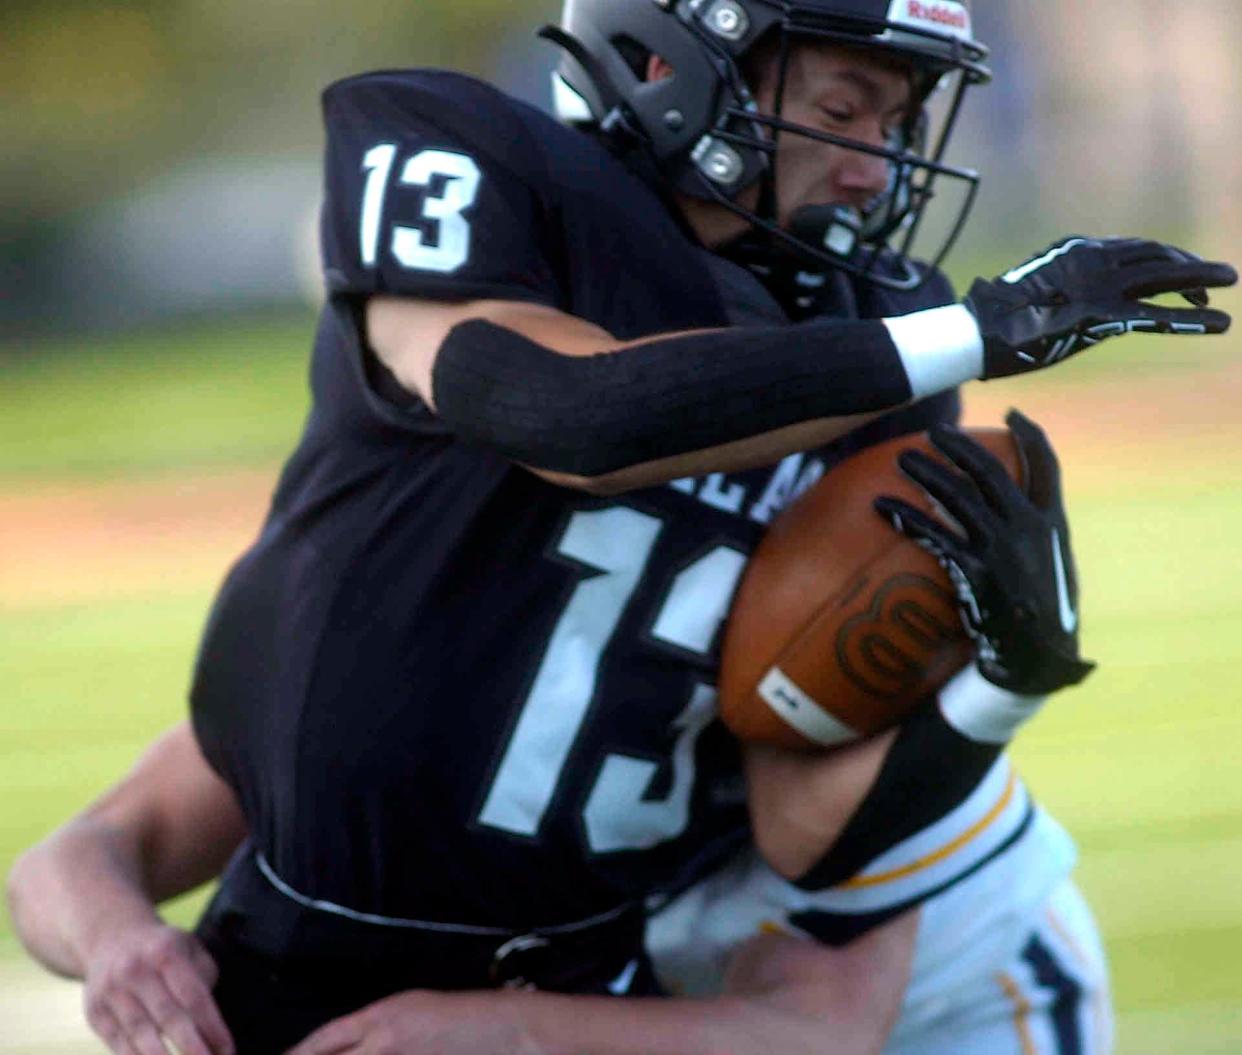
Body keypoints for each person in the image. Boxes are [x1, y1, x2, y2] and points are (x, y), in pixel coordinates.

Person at [8, 0, 1234, 1052]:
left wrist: (1004, 685)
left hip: (615, 980)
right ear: (670, 65)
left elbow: (811, 836)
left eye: (898, 129)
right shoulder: (480, 174)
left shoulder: (876, 352)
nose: (875, 168)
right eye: (846, 110)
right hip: (317, 973)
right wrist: (121, 945)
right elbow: (561, 412)